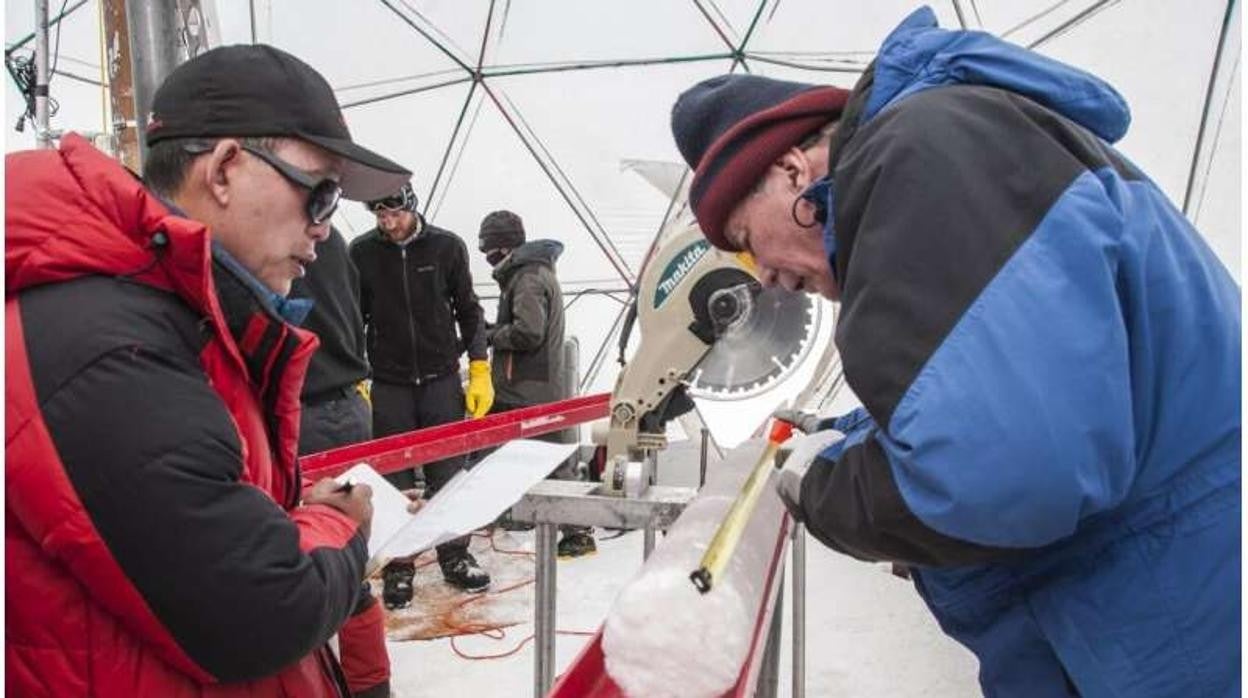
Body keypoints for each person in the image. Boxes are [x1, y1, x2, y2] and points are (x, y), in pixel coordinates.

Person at [670, 7, 1239, 697]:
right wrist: (847, 439)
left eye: (742, 235)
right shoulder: (943, 150)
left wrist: (820, 488)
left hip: (1166, 621)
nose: (759, 272)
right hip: (1155, 594)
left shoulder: (921, 152)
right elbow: (1018, 387)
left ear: (791, 171)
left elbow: (1002, 473)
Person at [6, 44, 412, 696]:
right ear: (224, 169)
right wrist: (342, 523)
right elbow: (262, 608)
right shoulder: (105, 346)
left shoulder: (170, 315)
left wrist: (285, 516)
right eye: (322, 193)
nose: (325, 232)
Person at [350, 182, 494, 605]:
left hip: (440, 379)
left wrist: (480, 366)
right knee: (394, 479)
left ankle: (455, 557)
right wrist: (358, 372)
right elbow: (354, 318)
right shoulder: (363, 253)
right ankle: (400, 565)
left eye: (393, 214)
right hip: (390, 382)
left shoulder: (446, 248)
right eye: (380, 217)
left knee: (446, 473)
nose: (387, 224)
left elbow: (468, 309)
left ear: (410, 206)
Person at [291, 225, 389, 698]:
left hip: (306, 406)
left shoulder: (273, 237)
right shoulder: (333, 241)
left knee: (318, 561)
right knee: (350, 559)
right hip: (347, 402)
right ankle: (371, 687)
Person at [477, 210, 595, 558]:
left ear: (502, 246)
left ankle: (578, 532)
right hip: (534, 385)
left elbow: (529, 332)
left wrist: (490, 335)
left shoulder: (527, 277)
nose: (486, 257)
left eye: (488, 248)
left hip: (528, 388)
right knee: (538, 456)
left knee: (552, 460)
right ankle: (532, 517)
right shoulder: (532, 272)